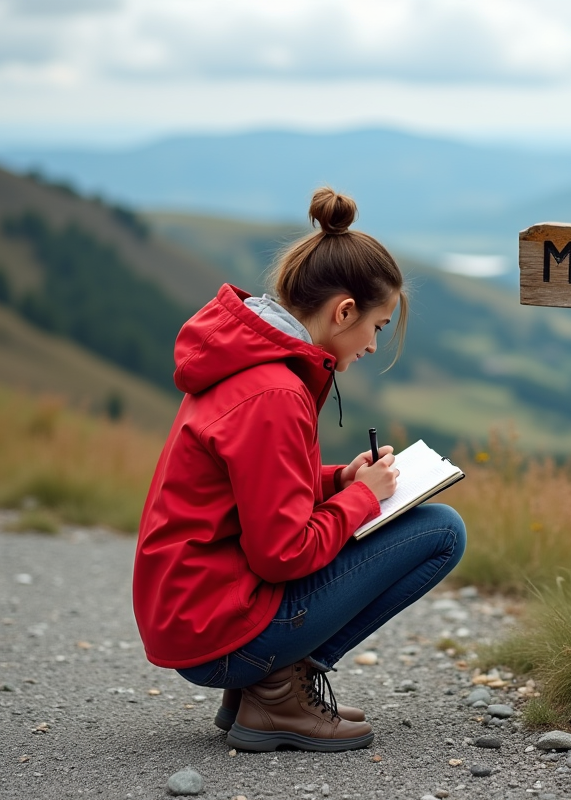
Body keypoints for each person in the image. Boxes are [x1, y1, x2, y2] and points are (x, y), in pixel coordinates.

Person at [132, 187, 467, 753]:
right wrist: (361, 499)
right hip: (220, 634)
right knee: (441, 530)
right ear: (343, 312)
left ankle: (268, 686)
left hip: (194, 615)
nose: (372, 343)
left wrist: (338, 481)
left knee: (422, 523)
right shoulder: (277, 392)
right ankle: (274, 692)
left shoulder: (249, 364)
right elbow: (281, 553)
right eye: (378, 326)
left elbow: (252, 486)